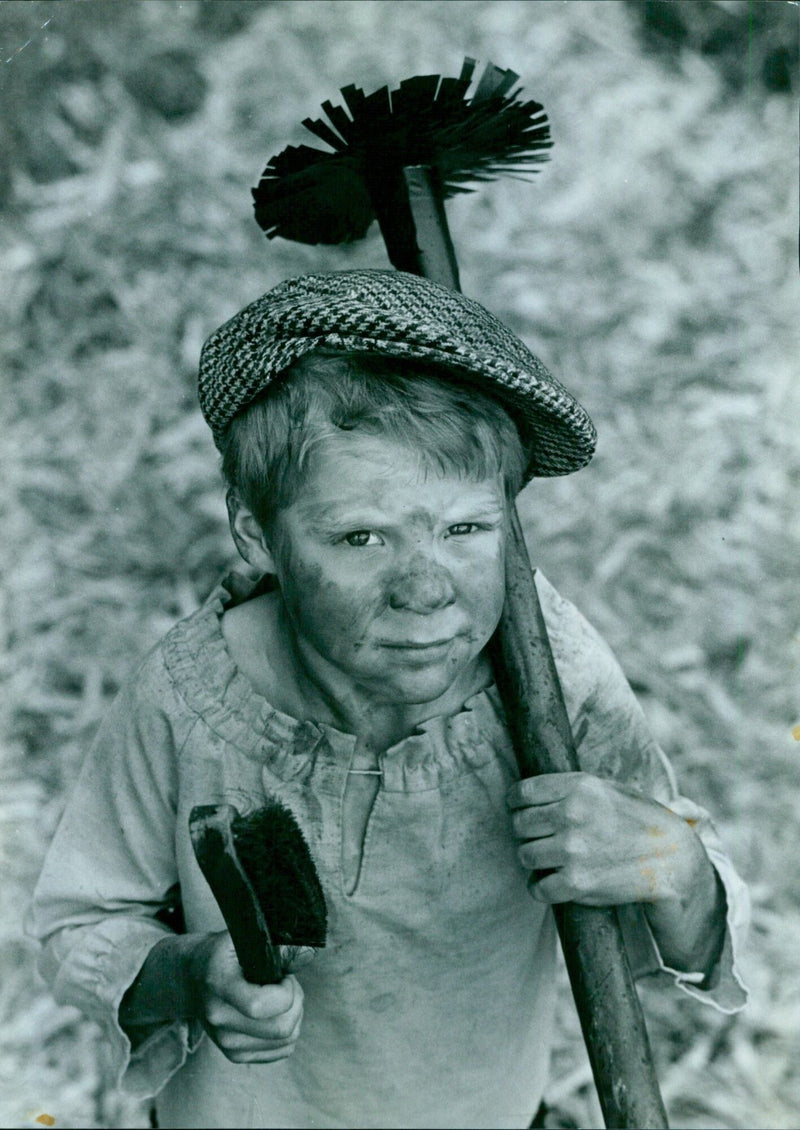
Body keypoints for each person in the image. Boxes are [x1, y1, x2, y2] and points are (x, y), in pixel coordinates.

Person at [29, 270, 748, 1130]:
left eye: (464, 529)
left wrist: (678, 869)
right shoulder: (187, 700)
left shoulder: (554, 682)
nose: (425, 591)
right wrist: (188, 976)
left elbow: (684, 919)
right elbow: (79, 924)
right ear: (258, 534)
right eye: (362, 537)